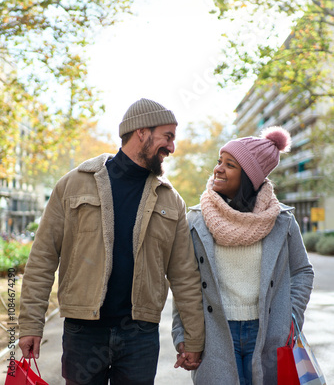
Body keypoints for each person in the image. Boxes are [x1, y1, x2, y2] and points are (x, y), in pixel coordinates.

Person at [19, 98, 205, 385]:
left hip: (140, 336)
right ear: (141, 132)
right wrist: (31, 323)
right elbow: (43, 258)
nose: (172, 147)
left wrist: (193, 337)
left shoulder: (171, 200)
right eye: (167, 137)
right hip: (84, 332)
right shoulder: (73, 184)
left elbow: (185, 275)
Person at [172, 126, 314, 385]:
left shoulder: (281, 220)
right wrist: (183, 335)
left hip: (267, 330)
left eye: (230, 165)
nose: (218, 169)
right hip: (215, 332)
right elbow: (186, 283)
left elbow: (303, 271)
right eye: (219, 162)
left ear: (250, 177)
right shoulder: (197, 220)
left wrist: (289, 317)